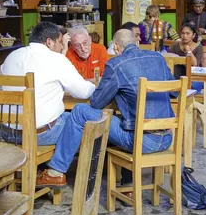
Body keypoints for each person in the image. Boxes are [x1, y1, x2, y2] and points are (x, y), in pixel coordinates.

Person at [56, 29, 177, 168]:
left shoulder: (116, 64)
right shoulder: (158, 58)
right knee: (124, 118)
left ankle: (57, 170)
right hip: (167, 138)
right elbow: (174, 93)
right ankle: (126, 180)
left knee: (79, 110)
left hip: (140, 141)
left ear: (115, 46)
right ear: (136, 41)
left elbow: (96, 102)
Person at [0, 22, 96, 187]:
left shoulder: (12, 56)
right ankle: (56, 171)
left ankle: (45, 168)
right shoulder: (56, 59)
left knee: (64, 117)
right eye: (60, 42)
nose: (61, 47)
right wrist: (95, 84)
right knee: (79, 117)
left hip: (8, 131)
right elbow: (83, 92)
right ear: (49, 42)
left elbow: (2, 86)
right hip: (38, 134)